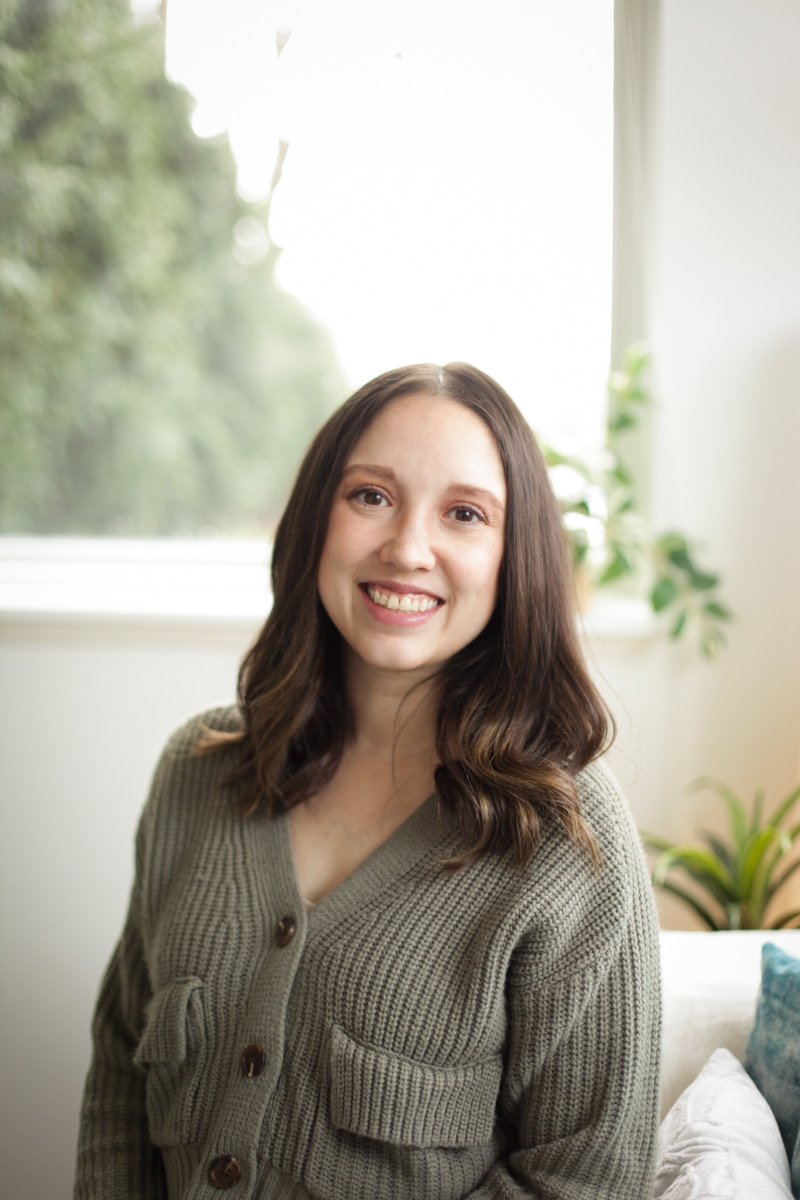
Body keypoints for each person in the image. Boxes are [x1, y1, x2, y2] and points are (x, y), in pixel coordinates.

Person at [74, 363, 661, 1200]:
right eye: (371, 497)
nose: (407, 549)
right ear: (317, 518)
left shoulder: (569, 838)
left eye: (464, 514)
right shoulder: (194, 775)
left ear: (513, 556)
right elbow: (120, 1077)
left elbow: (586, 1179)